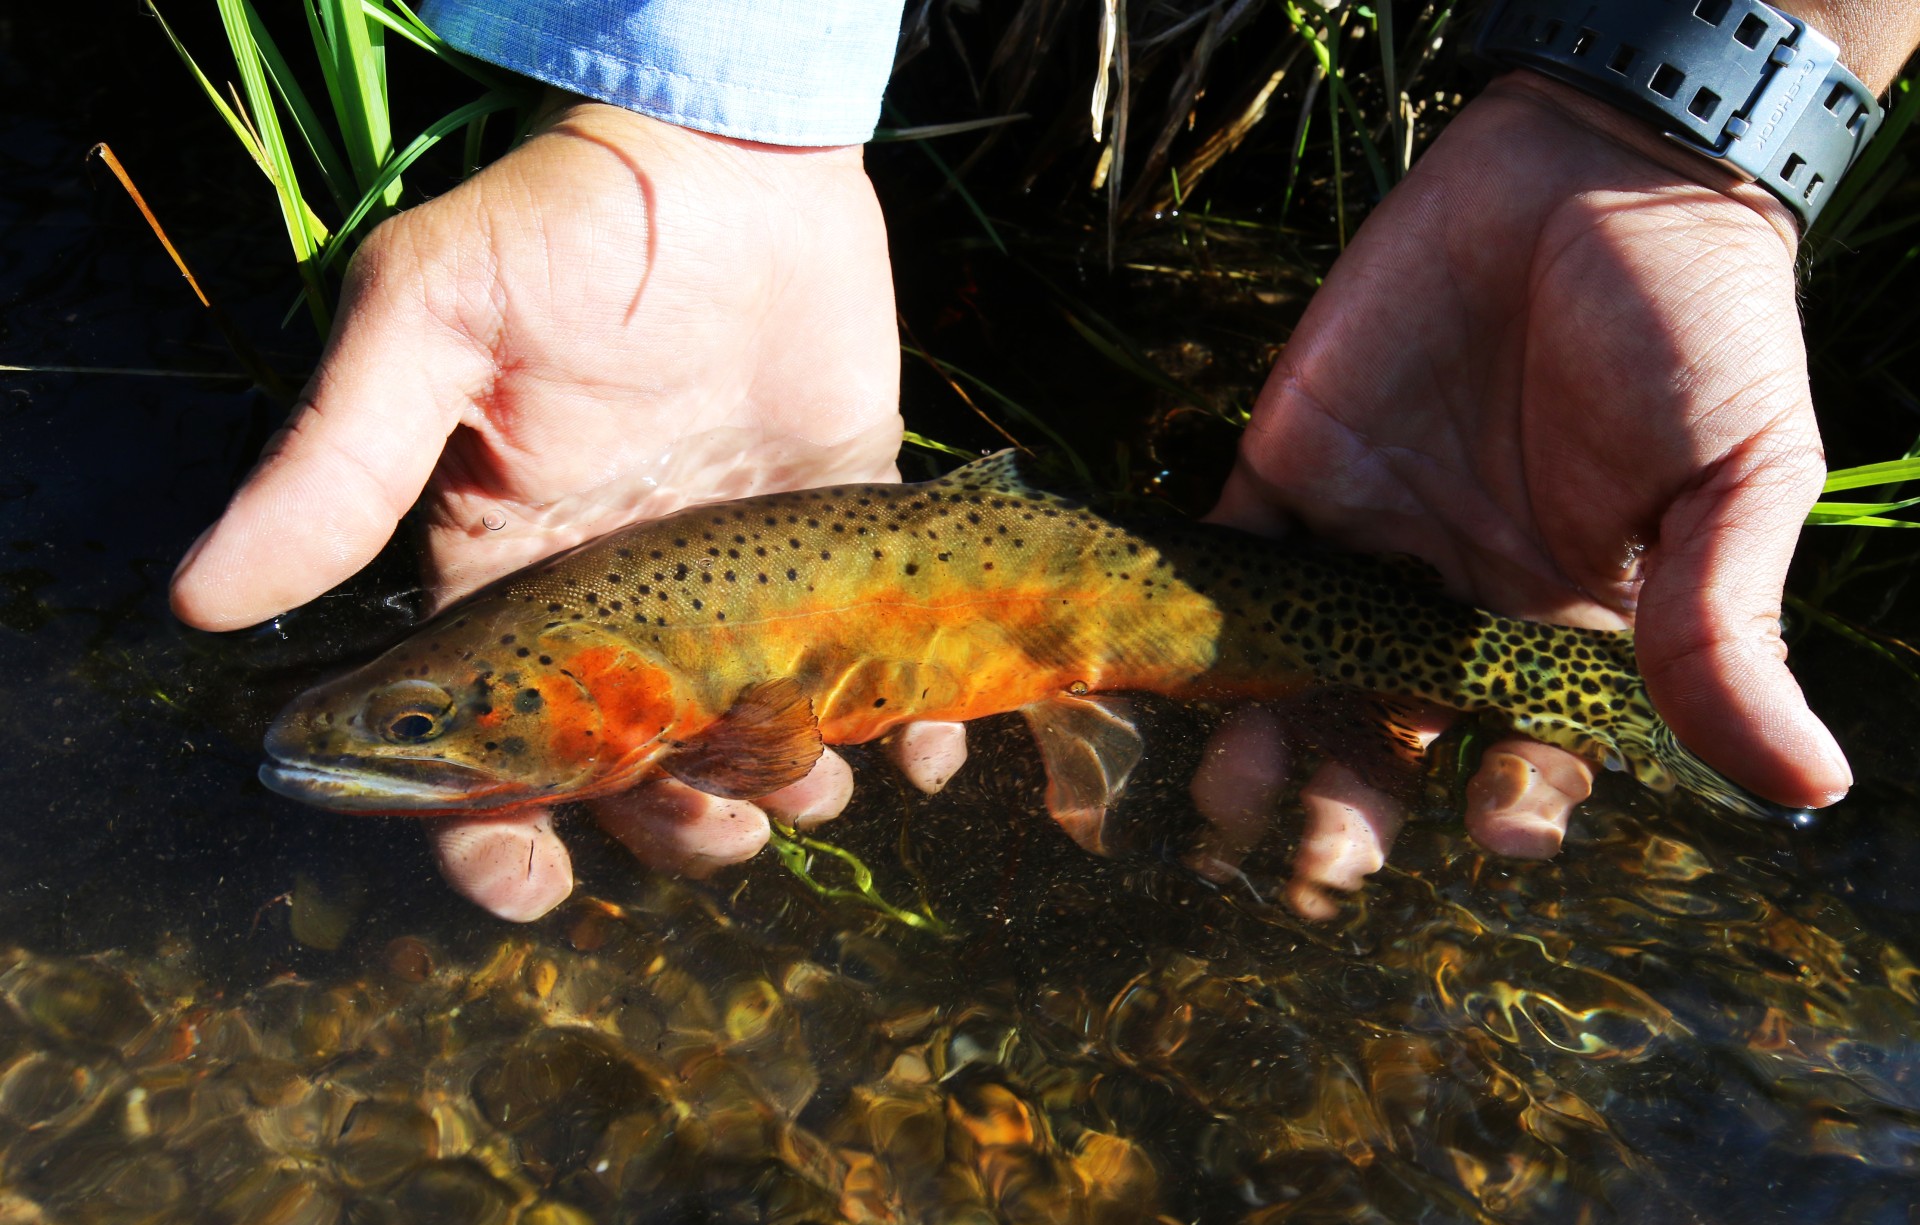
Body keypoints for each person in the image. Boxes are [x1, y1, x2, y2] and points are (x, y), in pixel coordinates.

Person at [170, 0, 1920, 922]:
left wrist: (1678, 147)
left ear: (616, 691)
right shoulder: (609, 637)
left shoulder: (672, 677)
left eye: (424, 719)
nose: (400, 732)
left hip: (1182, 604)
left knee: (1352, 685)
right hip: (1125, 599)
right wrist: (713, 97)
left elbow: (762, 731)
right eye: (422, 722)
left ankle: (1550, 696)